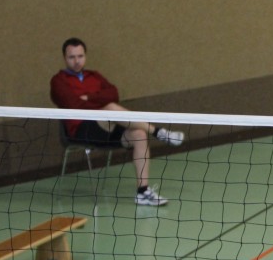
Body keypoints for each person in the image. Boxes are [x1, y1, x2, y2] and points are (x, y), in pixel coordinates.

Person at [49, 37, 184, 207]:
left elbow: (114, 94)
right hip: (82, 130)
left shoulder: (94, 76)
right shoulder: (58, 81)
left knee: (139, 134)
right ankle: (158, 132)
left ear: (85, 56)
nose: (77, 61)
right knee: (111, 107)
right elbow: (74, 104)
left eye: (80, 56)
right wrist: (101, 102)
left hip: (106, 127)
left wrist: (89, 98)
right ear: (64, 58)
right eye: (72, 57)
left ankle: (142, 192)